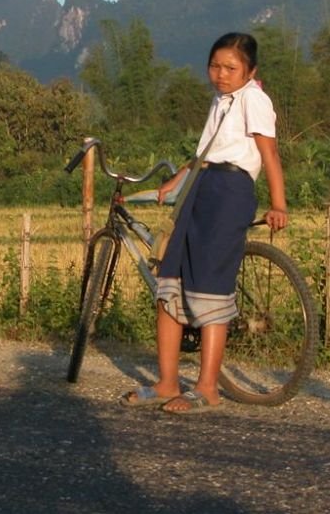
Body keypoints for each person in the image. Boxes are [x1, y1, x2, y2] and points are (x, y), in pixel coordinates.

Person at [120, 32, 287, 413]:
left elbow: (270, 153)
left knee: (210, 287)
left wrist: (279, 203)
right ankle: (167, 382)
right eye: (214, 66)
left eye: (231, 68)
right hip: (201, 185)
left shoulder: (254, 99)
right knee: (170, 282)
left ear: (251, 71)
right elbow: (206, 152)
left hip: (230, 191)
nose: (221, 74)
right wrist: (177, 180)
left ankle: (208, 387)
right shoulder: (220, 100)